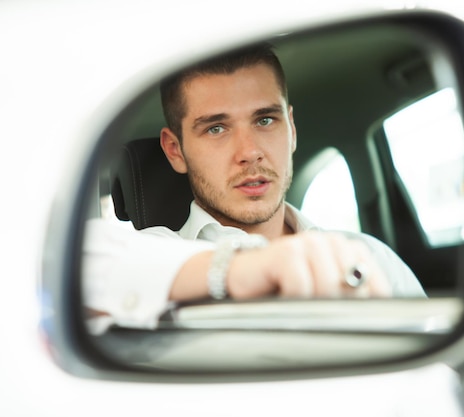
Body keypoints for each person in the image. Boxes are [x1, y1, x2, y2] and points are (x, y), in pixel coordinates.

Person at [83, 44, 425, 334]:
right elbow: (73, 267)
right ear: (175, 150)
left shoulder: (367, 256)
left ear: (291, 128)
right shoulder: (152, 251)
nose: (249, 152)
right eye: (216, 129)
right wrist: (238, 269)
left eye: (265, 120)